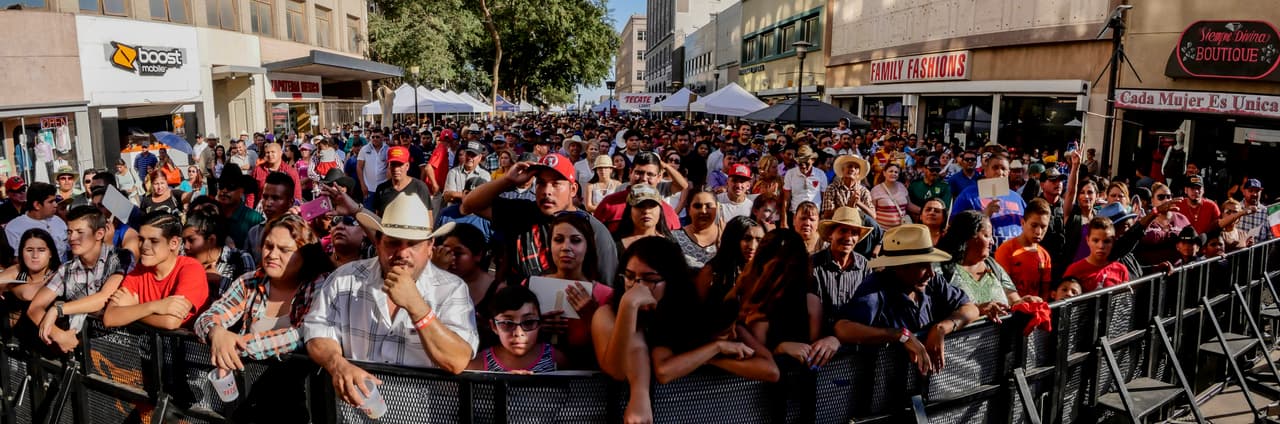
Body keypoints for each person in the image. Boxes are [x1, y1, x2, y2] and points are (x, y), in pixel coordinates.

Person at [304, 193, 478, 411]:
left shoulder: (451, 289)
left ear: (430, 246)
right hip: (355, 414)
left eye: (413, 244)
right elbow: (317, 331)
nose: (402, 252)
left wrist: (418, 308)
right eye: (393, 242)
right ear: (378, 242)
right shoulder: (344, 278)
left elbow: (457, 360)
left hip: (422, 416)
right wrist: (337, 365)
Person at [592, 237, 777, 424]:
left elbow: (770, 371)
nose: (636, 286)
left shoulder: (683, 311)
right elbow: (621, 368)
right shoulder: (608, 313)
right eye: (630, 277)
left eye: (650, 279)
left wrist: (710, 354)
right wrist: (628, 307)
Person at [834, 224, 979, 376]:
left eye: (931, 264)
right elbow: (843, 328)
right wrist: (901, 335)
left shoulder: (933, 281)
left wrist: (942, 328)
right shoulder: (875, 288)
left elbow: (971, 309)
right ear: (899, 266)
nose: (931, 273)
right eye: (923, 265)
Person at [462, 154, 618, 286]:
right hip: (520, 316)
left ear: (573, 190)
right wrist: (507, 180)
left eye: (556, 184)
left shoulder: (593, 230)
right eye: (541, 183)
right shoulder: (522, 213)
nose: (547, 192)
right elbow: (470, 204)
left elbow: (606, 286)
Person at [196, 214, 334, 364]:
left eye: (284, 250)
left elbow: (301, 335)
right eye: (268, 246)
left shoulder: (320, 285)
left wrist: (236, 346)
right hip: (246, 380)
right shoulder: (249, 281)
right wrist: (216, 332)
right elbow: (208, 317)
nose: (272, 255)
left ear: (305, 256)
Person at [104, 212, 210, 330]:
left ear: (173, 243)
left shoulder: (191, 269)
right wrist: (154, 307)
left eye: (154, 241)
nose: (145, 246)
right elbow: (109, 317)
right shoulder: (138, 271)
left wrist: (133, 309)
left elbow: (171, 321)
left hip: (183, 347)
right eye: (141, 239)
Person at [536, 212, 614, 368]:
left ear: (588, 247)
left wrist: (595, 317)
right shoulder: (530, 286)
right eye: (558, 240)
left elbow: (614, 350)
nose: (566, 247)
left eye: (576, 241)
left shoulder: (605, 295)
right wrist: (533, 325)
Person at [936, 211, 1035, 322]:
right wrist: (978, 309)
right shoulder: (940, 269)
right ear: (969, 237)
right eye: (987, 235)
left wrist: (1023, 302)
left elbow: (1013, 300)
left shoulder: (992, 265)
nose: (992, 241)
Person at [468, 285, 568, 373]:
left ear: (540, 323)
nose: (518, 333)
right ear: (494, 326)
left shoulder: (555, 359)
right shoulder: (479, 364)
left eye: (529, 322)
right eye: (507, 323)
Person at [810, 206, 873, 328]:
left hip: (852, 337)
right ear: (830, 235)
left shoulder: (864, 266)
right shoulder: (813, 264)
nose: (848, 238)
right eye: (843, 231)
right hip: (819, 337)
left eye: (854, 233)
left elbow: (866, 308)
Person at [594, 151, 686, 232]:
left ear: (659, 177)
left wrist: (664, 165)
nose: (644, 179)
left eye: (650, 174)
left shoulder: (668, 212)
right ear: (630, 173)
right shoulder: (609, 203)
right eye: (639, 173)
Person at [951, 152, 1026, 246]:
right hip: (983, 256)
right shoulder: (969, 195)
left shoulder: (1017, 198)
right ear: (985, 171)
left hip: (1013, 256)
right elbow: (955, 226)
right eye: (995, 168)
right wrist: (984, 215)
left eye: (1003, 169)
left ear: (1008, 173)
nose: (999, 172)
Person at [183, 210, 255, 294]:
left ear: (211, 240)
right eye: (184, 241)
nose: (186, 246)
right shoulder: (182, 259)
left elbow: (248, 295)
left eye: (191, 240)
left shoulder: (240, 259)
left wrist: (219, 283)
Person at [995, 198, 1054, 300]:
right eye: (1034, 225)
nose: (1038, 232)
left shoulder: (1045, 255)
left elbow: (1045, 292)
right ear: (1022, 223)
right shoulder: (1006, 250)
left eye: (1043, 227)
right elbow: (1002, 288)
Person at [696, 216, 764, 304]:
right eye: (747, 239)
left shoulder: (762, 271)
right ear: (733, 239)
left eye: (759, 240)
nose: (752, 246)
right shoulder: (712, 271)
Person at [431, 224, 494, 306]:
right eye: (446, 252)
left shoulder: (497, 291)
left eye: (458, 253)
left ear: (478, 255)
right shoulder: (433, 279)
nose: (450, 258)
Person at [1063, 217, 1130, 292]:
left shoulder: (1121, 270)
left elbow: (1124, 300)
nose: (1101, 246)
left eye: (1106, 241)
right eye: (1096, 240)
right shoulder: (1074, 270)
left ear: (1113, 242)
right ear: (1088, 240)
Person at [6, 182, 67, 259]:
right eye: (51, 202)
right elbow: (16, 260)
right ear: (37, 205)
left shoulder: (58, 221)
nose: (56, 205)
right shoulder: (14, 228)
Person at [0, 229, 60, 302]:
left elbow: (28, 295)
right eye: (29, 250)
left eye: (41, 250)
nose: (35, 255)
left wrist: (10, 286)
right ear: (21, 252)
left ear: (50, 253)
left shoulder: (60, 271)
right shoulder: (18, 270)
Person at [216, 165, 266, 249]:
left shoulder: (255, 220)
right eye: (221, 185)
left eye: (230, 186)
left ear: (241, 191)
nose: (224, 191)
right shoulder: (212, 215)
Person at [614, 184, 675, 250]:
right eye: (640, 205)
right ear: (629, 211)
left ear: (660, 211)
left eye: (652, 205)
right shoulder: (613, 244)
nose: (646, 211)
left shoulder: (671, 244)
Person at [673, 189, 720, 270]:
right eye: (697, 206)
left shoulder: (727, 235)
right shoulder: (675, 238)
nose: (703, 211)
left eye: (708, 206)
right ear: (688, 210)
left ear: (717, 208)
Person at [823, 155, 874, 219]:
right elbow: (827, 216)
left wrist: (858, 202)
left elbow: (873, 215)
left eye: (856, 168)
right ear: (843, 170)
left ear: (858, 173)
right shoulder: (832, 188)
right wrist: (849, 206)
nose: (852, 169)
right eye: (850, 166)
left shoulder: (863, 191)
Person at [783, 146, 828, 215]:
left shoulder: (820, 174)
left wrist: (823, 215)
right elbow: (786, 199)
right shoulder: (790, 174)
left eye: (806, 163)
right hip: (795, 214)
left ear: (813, 160)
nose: (803, 166)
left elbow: (824, 197)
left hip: (815, 215)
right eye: (800, 163)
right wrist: (784, 220)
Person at [870, 163, 916, 229]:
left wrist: (922, 210)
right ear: (884, 173)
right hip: (883, 231)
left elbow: (909, 205)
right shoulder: (876, 190)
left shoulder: (902, 187)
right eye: (891, 171)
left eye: (896, 172)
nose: (893, 174)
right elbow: (872, 211)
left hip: (901, 231)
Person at [356, 128, 390, 202]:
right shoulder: (364, 150)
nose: (375, 139)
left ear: (382, 138)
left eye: (377, 137)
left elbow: (389, 168)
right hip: (368, 188)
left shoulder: (388, 149)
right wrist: (362, 185)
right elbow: (359, 167)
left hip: (383, 188)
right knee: (368, 212)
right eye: (373, 137)